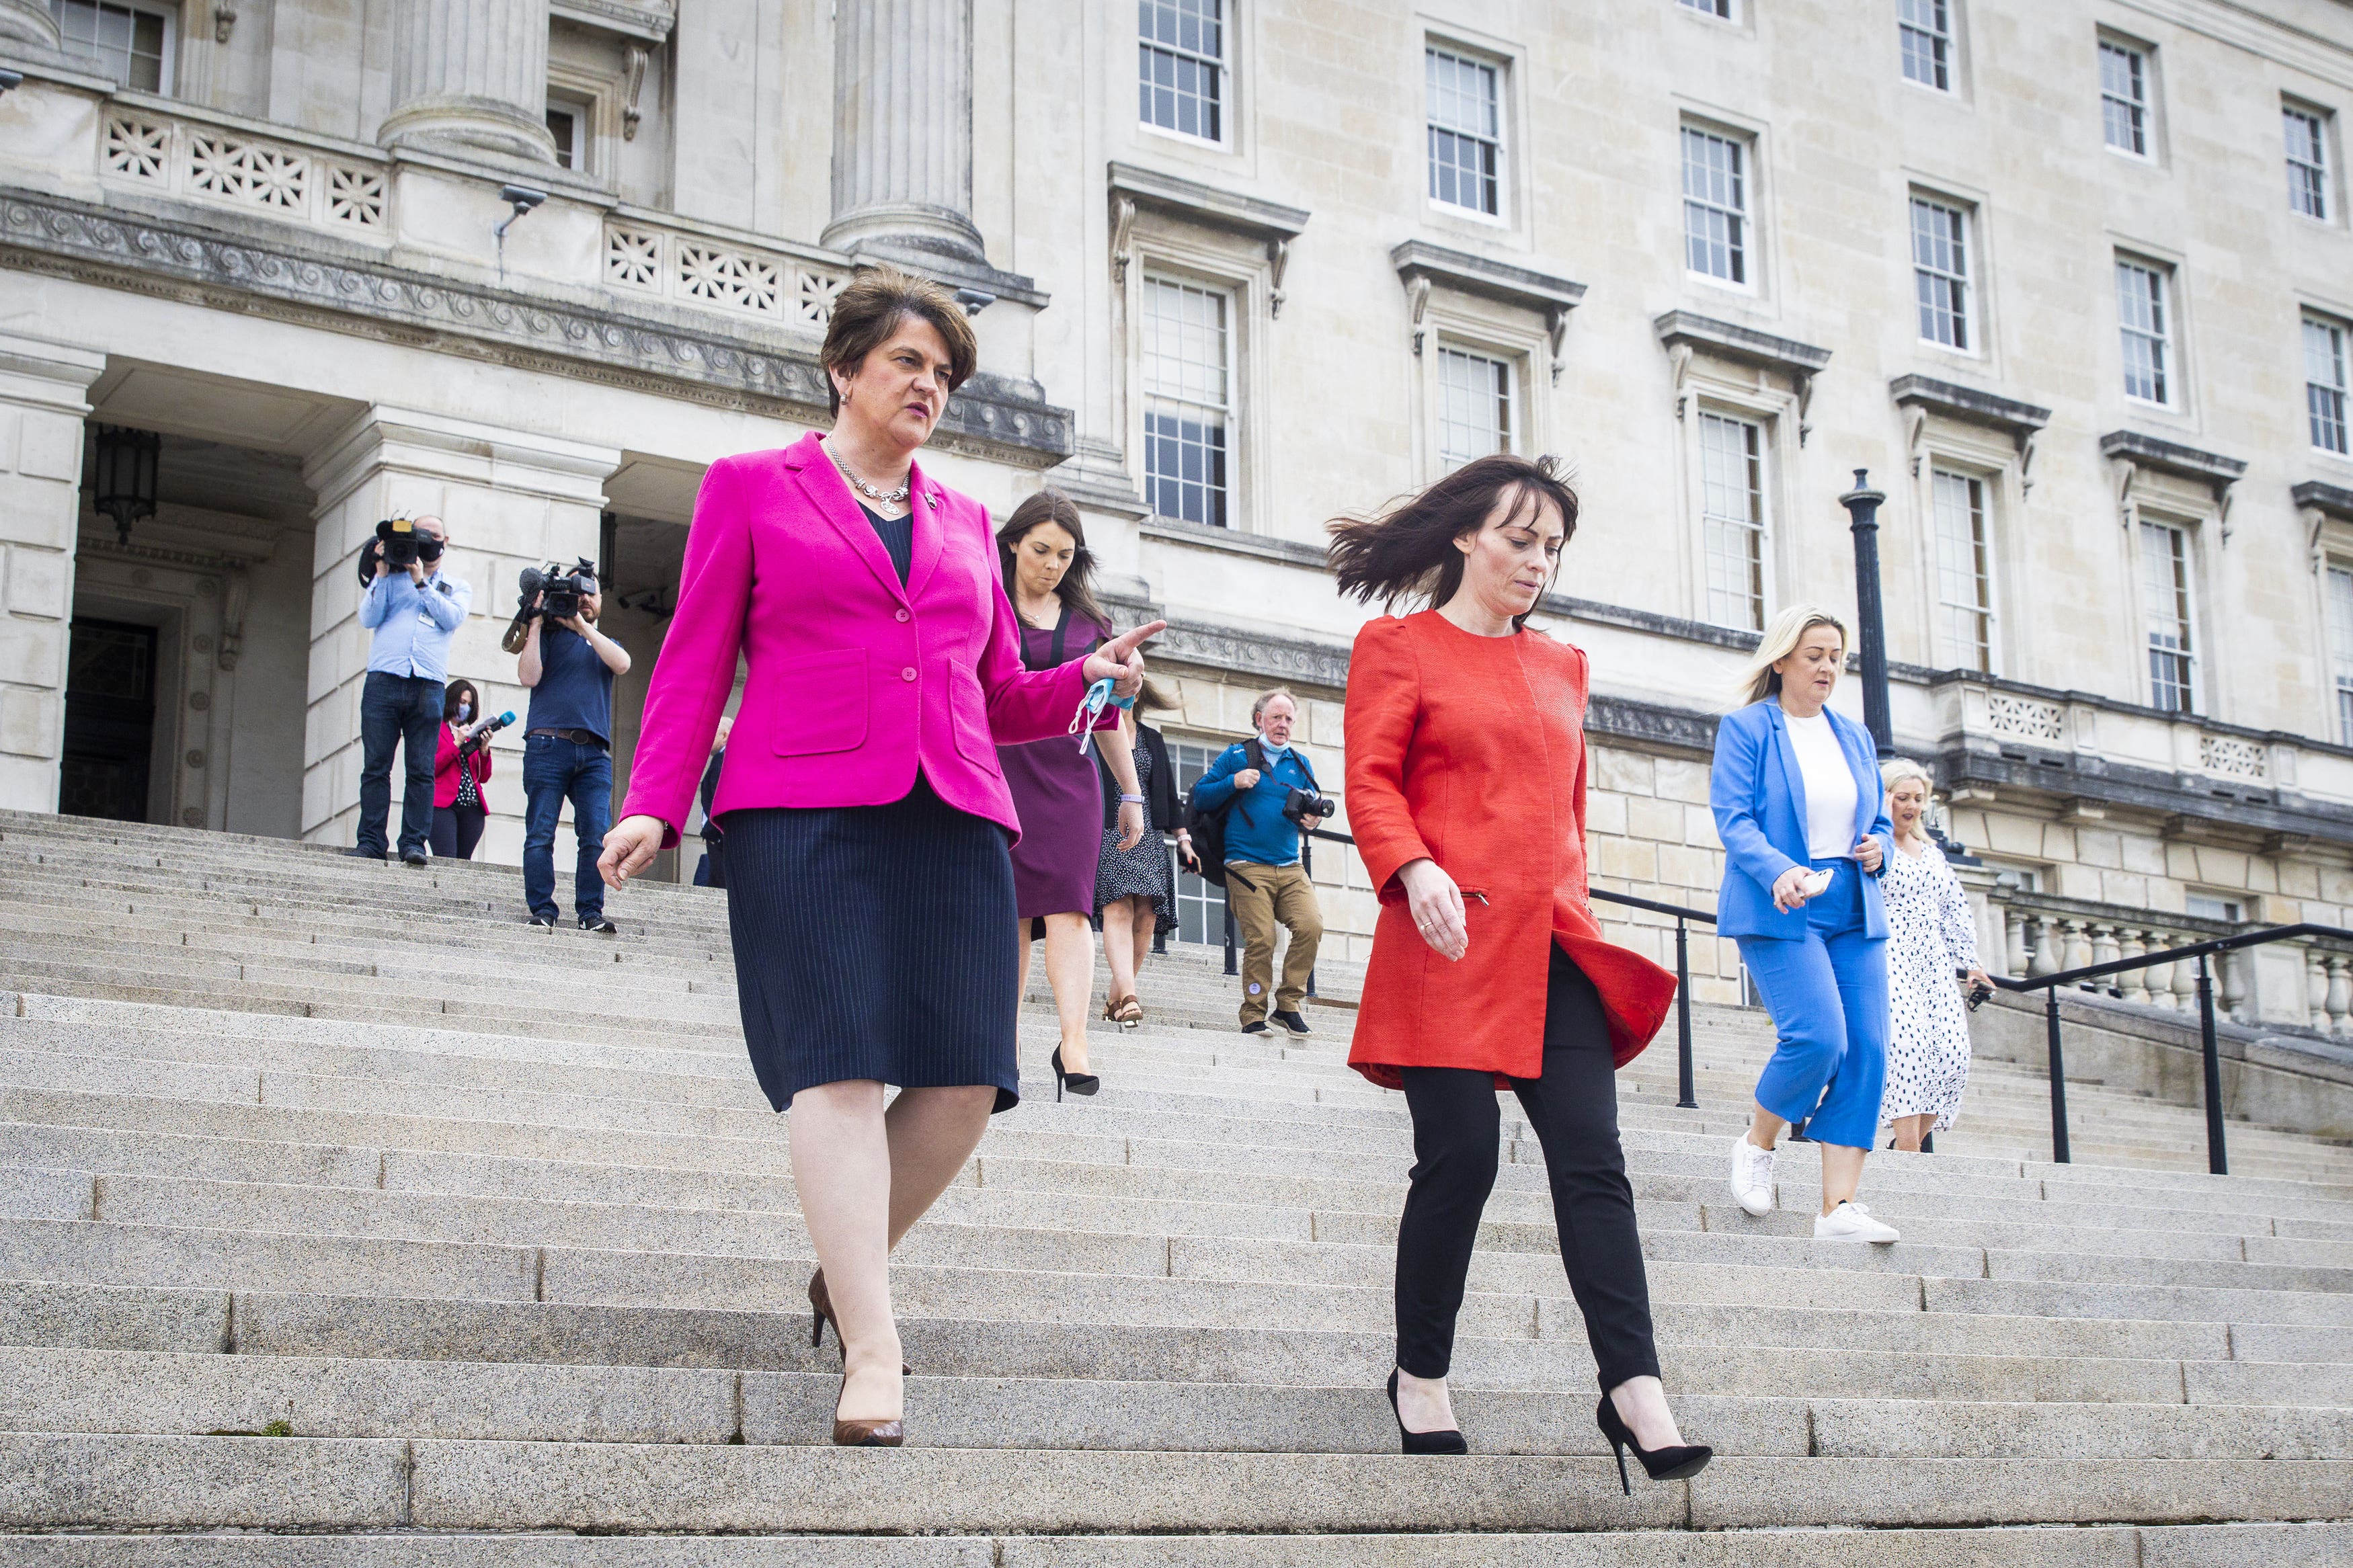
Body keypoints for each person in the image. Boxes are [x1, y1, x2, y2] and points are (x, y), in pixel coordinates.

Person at [596, 265, 1162, 1448]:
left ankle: (843, 1265)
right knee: (840, 1068)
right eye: (910, 362)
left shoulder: (964, 521)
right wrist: (655, 799)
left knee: (967, 1079)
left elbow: (999, 691)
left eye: (946, 374)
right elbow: (696, 658)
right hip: (800, 811)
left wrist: (1085, 684)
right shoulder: (752, 487)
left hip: (956, 810)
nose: (930, 387)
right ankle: (873, 1340)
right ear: (846, 367)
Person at [1331, 452, 1706, 1491]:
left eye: (1551, 546)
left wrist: (1572, 903)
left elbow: (1568, 813)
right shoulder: (1397, 645)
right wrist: (1412, 867)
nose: (1537, 560)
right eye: (1519, 538)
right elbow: (1368, 780)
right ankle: (1420, 1375)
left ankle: (1635, 1388)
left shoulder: (1565, 665)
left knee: (1594, 1162)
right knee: (1463, 1161)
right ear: (1465, 537)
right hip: (1446, 938)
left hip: (1553, 944)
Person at [1712, 606, 1901, 1243]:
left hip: (1853, 902)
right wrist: (1778, 870)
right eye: (1815, 654)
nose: (1827, 667)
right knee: (1820, 1038)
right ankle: (1758, 1142)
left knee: (1868, 1049)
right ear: (1783, 658)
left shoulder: (1855, 736)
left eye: (1837, 658)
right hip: (1781, 899)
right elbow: (1734, 819)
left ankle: (1838, 1208)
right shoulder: (1747, 729)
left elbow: (1875, 819)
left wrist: (1881, 845)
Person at [995, 489, 1146, 1097]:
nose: (1053, 563)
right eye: (1040, 549)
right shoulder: (987, 604)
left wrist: (1131, 794)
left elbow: (1108, 718)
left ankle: (1074, 1041)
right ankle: (1003, 1042)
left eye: (1065, 553)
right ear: (1013, 542)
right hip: (999, 770)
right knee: (1010, 910)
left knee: (1069, 908)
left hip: (1070, 778)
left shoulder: (1092, 626)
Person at [1189, 690, 1326, 1034]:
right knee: (1263, 938)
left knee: (1311, 926)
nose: (1283, 724)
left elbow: (1310, 809)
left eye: (1289, 719)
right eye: (1277, 717)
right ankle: (1253, 1012)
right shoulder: (1237, 755)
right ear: (1259, 719)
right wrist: (1233, 782)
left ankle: (1288, 1005)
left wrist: (1313, 820)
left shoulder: (1301, 763)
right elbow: (1200, 796)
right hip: (1246, 864)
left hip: (1290, 866)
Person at [1878, 757, 1995, 1153]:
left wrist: (1973, 965)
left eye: (1918, 798)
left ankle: (1906, 1146)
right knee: (1908, 1049)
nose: (1911, 806)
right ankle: (1908, 1151)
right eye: (1902, 797)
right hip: (1888, 954)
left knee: (1952, 1054)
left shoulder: (1933, 855)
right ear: (1884, 798)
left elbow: (1954, 911)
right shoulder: (1872, 847)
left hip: (1935, 961)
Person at [347, 514, 470, 866]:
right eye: (422, 534)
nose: (428, 540)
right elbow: (369, 617)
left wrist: (421, 583)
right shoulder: (390, 576)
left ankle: (413, 842)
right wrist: (383, 572)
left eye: (434, 534)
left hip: (428, 684)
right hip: (384, 679)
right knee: (376, 765)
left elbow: (451, 618)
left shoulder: (456, 585)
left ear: (447, 540)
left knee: (420, 768)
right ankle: (371, 840)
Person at [518, 574, 631, 932]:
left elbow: (623, 663)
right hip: (548, 744)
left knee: (596, 835)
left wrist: (582, 626)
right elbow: (528, 677)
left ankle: (590, 913)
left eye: (591, 595)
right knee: (540, 832)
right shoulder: (548, 638)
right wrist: (535, 623)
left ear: (601, 602)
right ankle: (543, 910)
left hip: (594, 754)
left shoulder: (602, 643)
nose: (584, 600)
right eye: (577, 594)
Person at [1093, 680, 1181, 1028]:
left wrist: (1183, 837)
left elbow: (1169, 792)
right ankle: (1129, 996)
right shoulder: (1093, 728)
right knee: (1118, 907)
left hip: (1148, 836)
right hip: (1107, 831)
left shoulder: (1151, 738)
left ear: (1137, 693)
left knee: (1146, 915)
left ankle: (1116, 997)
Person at [431, 678, 493, 861]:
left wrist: (484, 749)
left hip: (472, 806)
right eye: (462, 702)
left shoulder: (470, 733)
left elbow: (484, 777)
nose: (466, 707)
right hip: (443, 805)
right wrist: (456, 743)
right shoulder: (435, 729)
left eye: (469, 704)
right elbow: (431, 767)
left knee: (464, 862)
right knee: (446, 859)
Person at [694, 715, 734, 889]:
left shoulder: (722, 760)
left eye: (712, 735)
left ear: (724, 736)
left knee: (721, 883)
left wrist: (715, 832)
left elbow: (719, 797)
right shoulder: (725, 759)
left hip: (719, 835)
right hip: (718, 834)